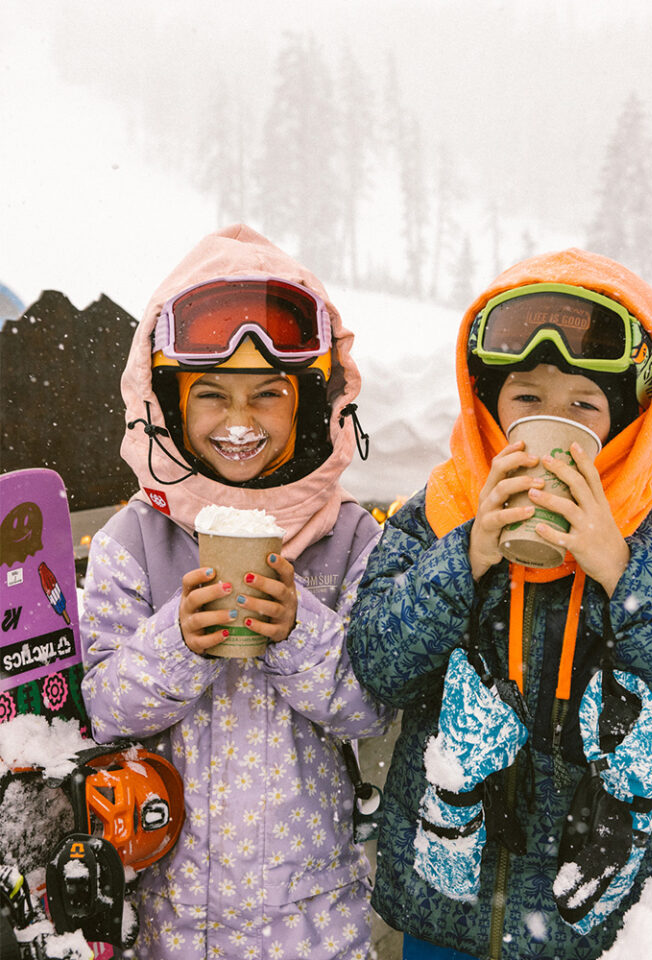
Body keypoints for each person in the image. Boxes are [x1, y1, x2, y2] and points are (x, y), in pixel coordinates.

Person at [347, 248, 652, 960]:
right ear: (490, 410)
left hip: (590, 921)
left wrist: (622, 568)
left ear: (626, 423)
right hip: (441, 913)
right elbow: (377, 665)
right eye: (528, 400)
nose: (552, 422)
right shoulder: (442, 514)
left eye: (583, 406)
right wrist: (468, 553)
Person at [80, 224, 393, 959]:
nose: (240, 421)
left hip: (312, 921)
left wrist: (299, 628)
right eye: (212, 394)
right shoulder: (135, 538)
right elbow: (102, 710)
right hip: (171, 920)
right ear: (166, 404)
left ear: (314, 402)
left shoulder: (348, 539)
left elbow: (370, 709)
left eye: (268, 394)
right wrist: (177, 641)